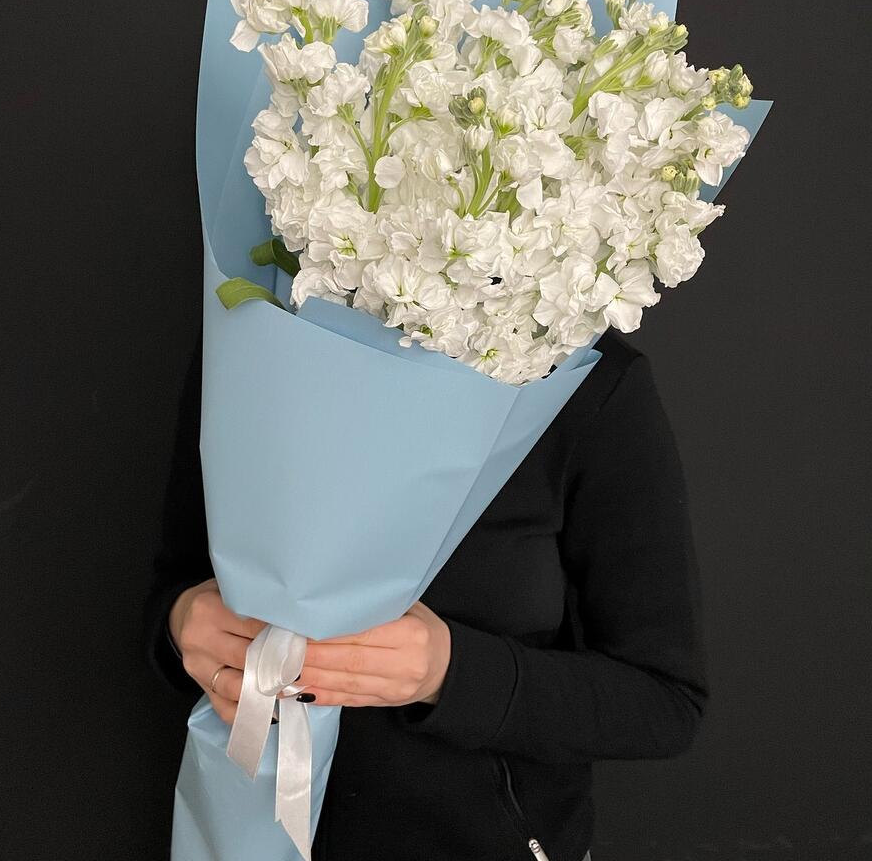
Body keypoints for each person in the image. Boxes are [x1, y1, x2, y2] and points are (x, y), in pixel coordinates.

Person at [142, 322, 709, 861]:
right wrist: (184, 623)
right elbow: (174, 585)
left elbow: (663, 702)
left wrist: (449, 673)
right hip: (245, 829)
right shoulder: (264, 334)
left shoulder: (584, 375)